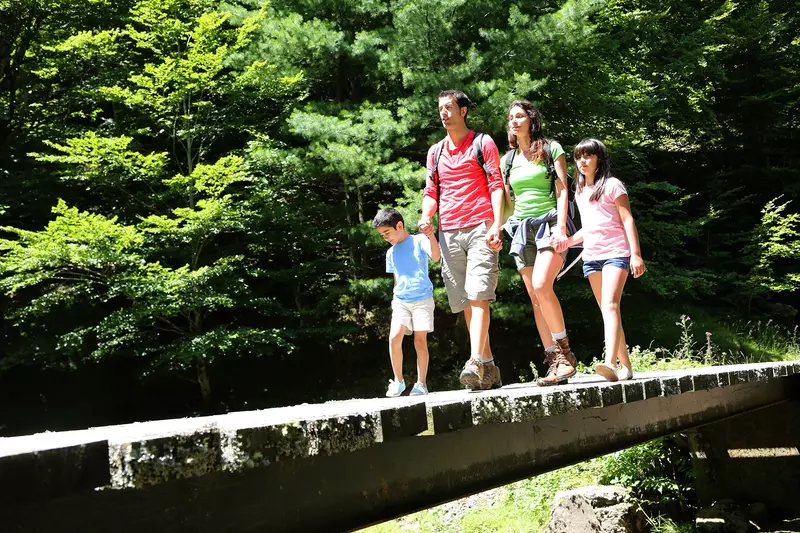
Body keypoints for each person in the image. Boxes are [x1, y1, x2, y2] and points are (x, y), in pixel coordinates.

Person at [418, 89, 505, 390]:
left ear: (463, 111)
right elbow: (431, 192)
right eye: (440, 108)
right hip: (448, 231)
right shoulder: (435, 152)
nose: (443, 113)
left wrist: (496, 224)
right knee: (465, 302)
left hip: (481, 225)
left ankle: (474, 361)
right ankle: (489, 367)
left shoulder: (483, 143)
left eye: (449, 107)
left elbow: (496, 184)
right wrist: (426, 216)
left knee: (479, 294)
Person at [553, 138, 646, 382]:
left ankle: (610, 362)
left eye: (588, 156)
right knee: (607, 310)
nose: (582, 161)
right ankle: (626, 366)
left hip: (616, 253)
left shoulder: (614, 185)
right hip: (591, 257)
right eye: (579, 157)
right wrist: (568, 242)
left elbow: (627, 220)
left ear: (599, 159)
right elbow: (590, 228)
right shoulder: (580, 190)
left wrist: (635, 254)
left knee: (611, 306)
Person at [501, 100, 579, 386]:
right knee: (535, 299)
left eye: (520, 116)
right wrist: (497, 227)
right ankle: (555, 360)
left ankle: (565, 351)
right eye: (511, 118)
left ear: (531, 119)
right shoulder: (507, 160)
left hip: (549, 224)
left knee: (542, 285)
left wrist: (560, 227)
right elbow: (507, 201)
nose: (514, 121)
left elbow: (562, 190)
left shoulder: (550, 149)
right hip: (521, 229)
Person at [373, 207, 441, 396]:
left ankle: (421, 384)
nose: (385, 237)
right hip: (401, 301)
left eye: (387, 232)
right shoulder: (390, 253)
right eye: (381, 235)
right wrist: (396, 297)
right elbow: (397, 278)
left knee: (420, 341)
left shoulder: (419, 241)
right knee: (394, 336)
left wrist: (431, 236)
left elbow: (436, 256)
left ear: (399, 225)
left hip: (422, 299)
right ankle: (398, 381)